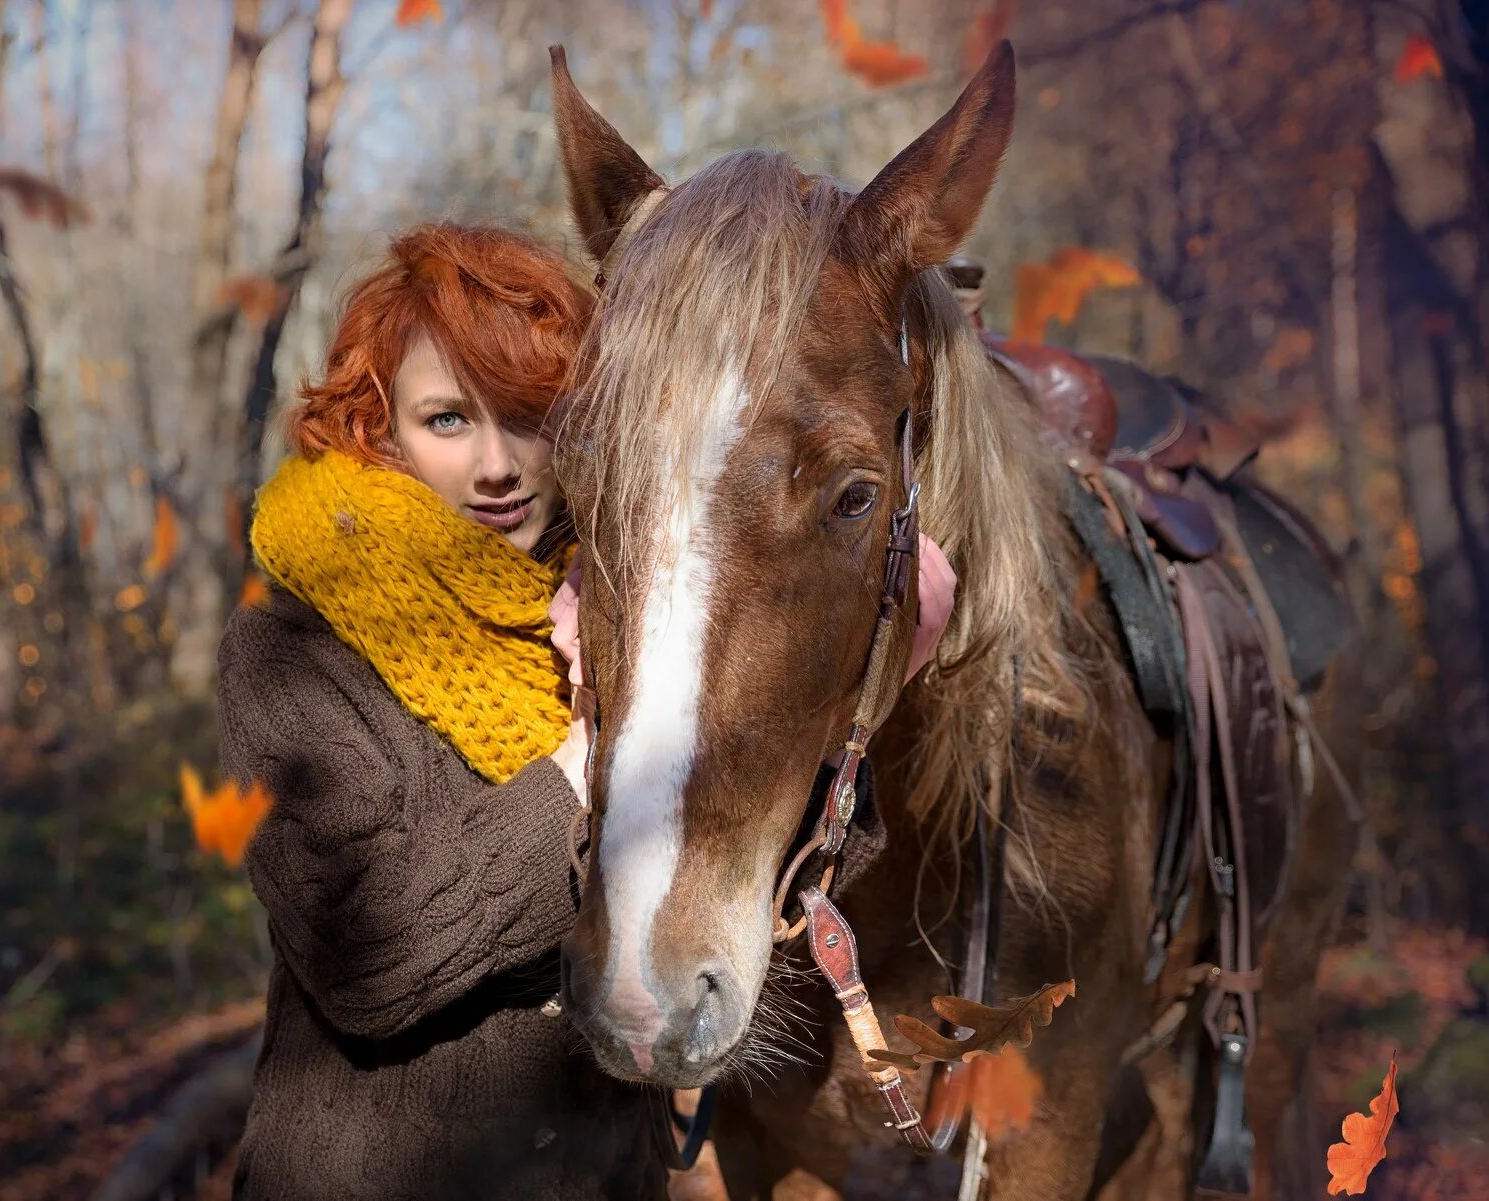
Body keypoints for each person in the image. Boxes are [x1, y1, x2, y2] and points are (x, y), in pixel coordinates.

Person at [217, 222, 956, 1200]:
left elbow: (804, 883)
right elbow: (369, 959)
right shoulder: (290, 649)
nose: (498, 466)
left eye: (534, 418)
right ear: (374, 426)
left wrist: (842, 706)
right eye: (447, 419)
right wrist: (584, 766)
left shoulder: (611, 612)